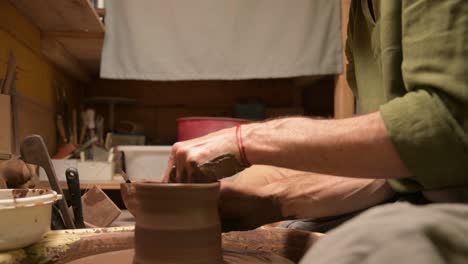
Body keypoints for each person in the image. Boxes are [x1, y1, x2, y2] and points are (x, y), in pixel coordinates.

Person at [164, 0, 468, 262]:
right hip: (428, 184)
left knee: (364, 249)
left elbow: (447, 129)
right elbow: (401, 166)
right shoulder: (359, 17)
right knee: (256, 187)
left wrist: (244, 141)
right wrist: (272, 201)